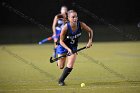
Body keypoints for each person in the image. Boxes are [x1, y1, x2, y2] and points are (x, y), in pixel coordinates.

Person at [56, 10, 93, 86]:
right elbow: (61, 41)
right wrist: (68, 50)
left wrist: (90, 41)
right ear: (69, 18)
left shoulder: (81, 24)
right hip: (63, 46)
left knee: (70, 64)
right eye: (73, 17)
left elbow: (90, 31)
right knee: (61, 66)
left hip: (73, 46)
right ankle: (58, 62)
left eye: (76, 16)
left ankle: (61, 80)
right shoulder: (65, 28)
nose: (75, 18)